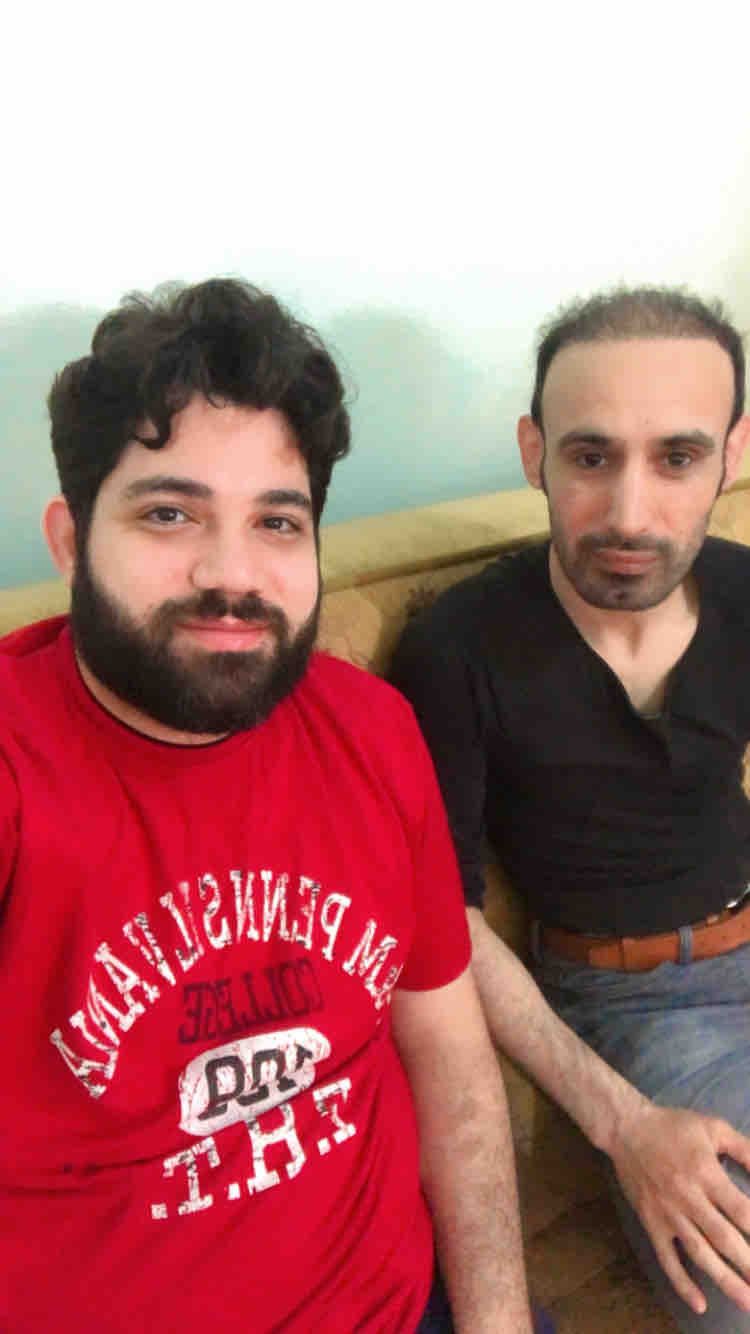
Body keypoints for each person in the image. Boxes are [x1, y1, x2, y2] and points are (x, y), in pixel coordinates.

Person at [0, 279, 533, 1333]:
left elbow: (447, 1050)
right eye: (169, 513)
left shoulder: (374, 730)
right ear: (69, 539)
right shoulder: (19, 768)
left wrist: (500, 1322)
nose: (231, 574)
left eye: (277, 522)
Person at [390, 286, 750, 1333]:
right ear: (534, 452)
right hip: (635, 1007)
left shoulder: (745, 594)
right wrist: (624, 1123)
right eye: (591, 457)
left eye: (676, 458)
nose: (631, 513)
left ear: (731, 457)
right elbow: (440, 920)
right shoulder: (458, 647)